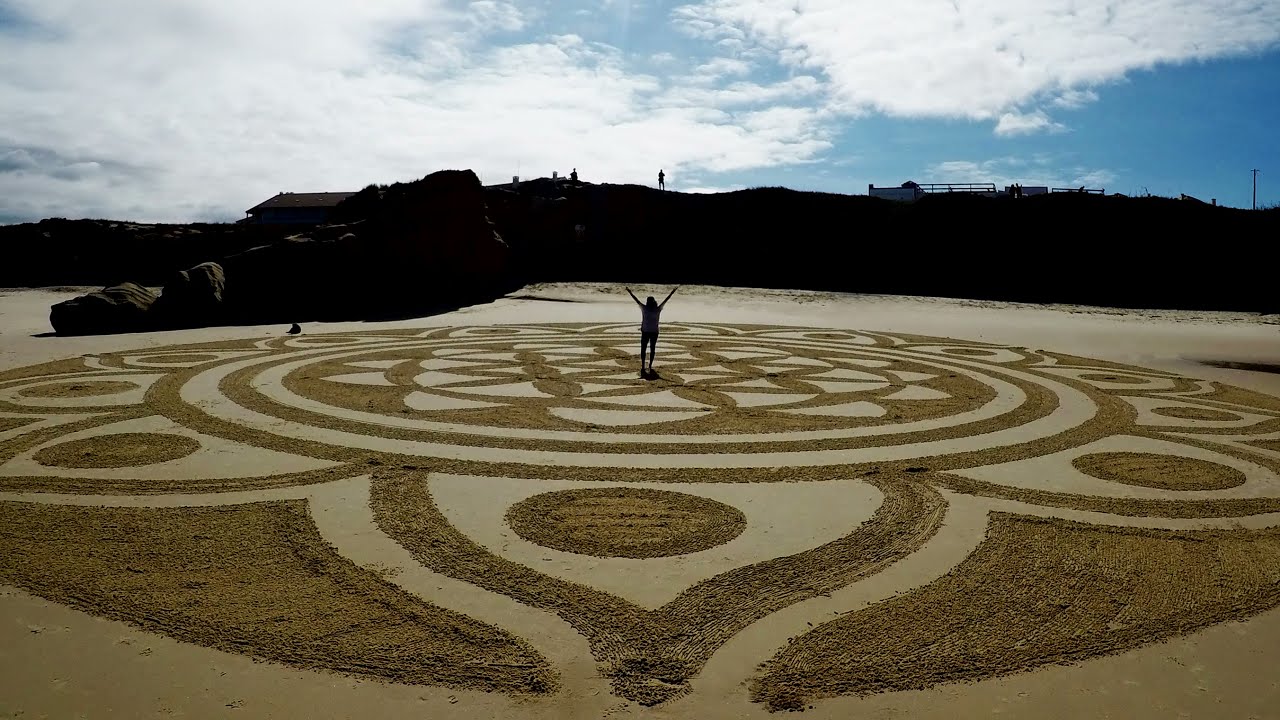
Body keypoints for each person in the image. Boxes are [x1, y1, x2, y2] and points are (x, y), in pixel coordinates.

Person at [626, 285, 679, 376]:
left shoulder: (645, 308)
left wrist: (630, 292)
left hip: (646, 331)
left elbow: (636, 300)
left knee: (644, 348)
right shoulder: (657, 309)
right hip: (653, 331)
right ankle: (649, 365)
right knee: (652, 348)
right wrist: (672, 292)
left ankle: (644, 365)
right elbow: (666, 300)